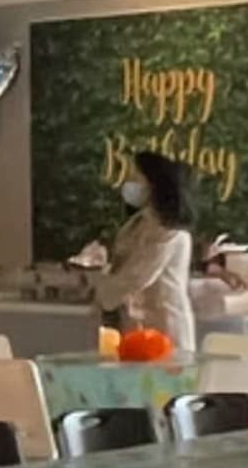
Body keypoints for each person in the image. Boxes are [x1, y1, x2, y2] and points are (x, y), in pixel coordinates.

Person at [73, 148, 198, 354]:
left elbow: (137, 276)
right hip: (137, 326)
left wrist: (101, 292)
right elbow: (122, 261)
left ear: (153, 185)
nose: (130, 184)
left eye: (136, 178)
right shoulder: (138, 222)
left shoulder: (169, 232)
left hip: (165, 327)